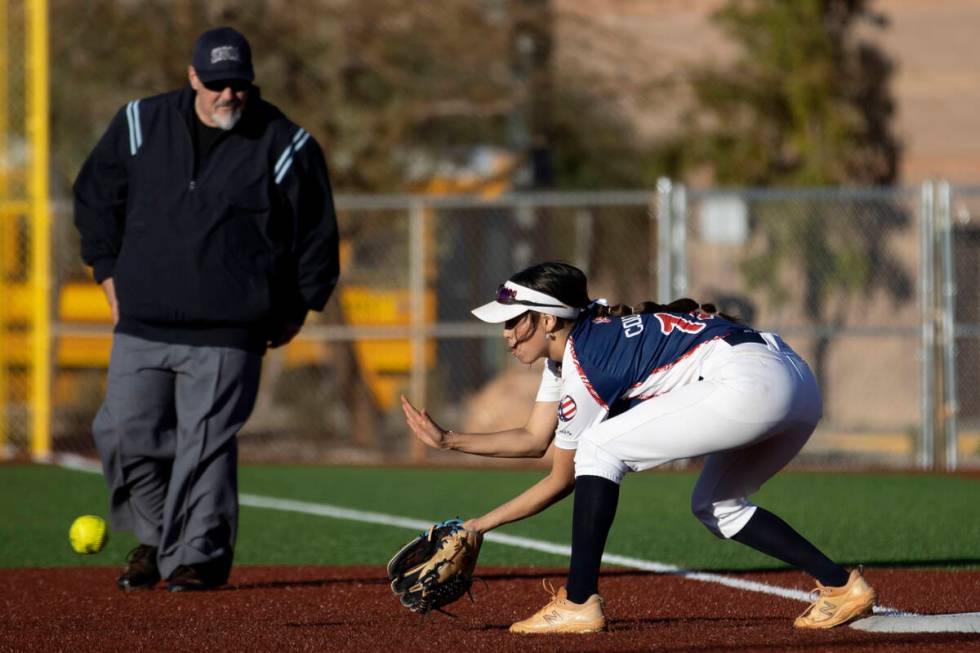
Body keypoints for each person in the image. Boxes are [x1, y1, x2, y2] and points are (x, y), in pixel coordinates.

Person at [401, 261, 877, 632]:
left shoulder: (586, 359)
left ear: (548, 321)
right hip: (793, 380)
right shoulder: (572, 351)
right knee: (717, 505)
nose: (505, 333)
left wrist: (481, 525)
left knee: (600, 446)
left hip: (750, 381)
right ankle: (841, 586)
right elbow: (534, 438)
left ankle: (578, 602)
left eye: (514, 321)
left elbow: (563, 477)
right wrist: (448, 441)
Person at [73, 26, 339, 592]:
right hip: (141, 320)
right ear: (192, 76)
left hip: (230, 329)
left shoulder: (285, 143)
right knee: (123, 433)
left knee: (205, 448)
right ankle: (159, 536)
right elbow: (95, 194)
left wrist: (297, 307)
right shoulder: (140, 124)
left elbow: (316, 232)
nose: (228, 95)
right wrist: (106, 269)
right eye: (216, 82)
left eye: (238, 84)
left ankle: (197, 558)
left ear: (251, 82)